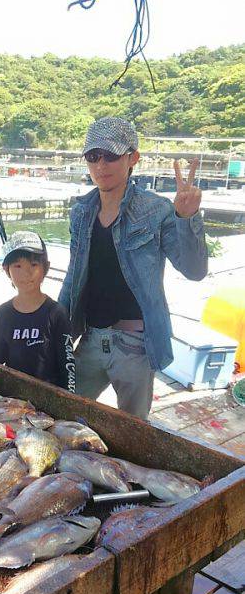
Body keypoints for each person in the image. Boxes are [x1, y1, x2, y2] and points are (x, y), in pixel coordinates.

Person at [59, 116, 208, 420]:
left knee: (133, 429)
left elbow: (194, 270)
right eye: (93, 156)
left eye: (111, 155)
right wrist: (56, 327)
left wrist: (187, 218)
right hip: (90, 338)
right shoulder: (81, 212)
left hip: (136, 346)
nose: (101, 165)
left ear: (132, 158)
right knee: (65, 414)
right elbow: (73, 277)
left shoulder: (157, 210)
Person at [0, 231, 76, 392]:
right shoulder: (3, 313)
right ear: (7, 270)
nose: (26, 273)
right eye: (18, 266)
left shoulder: (56, 312)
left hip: (49, 394)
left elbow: (67, 363)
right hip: (14, 395)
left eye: (33, 264)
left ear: (45, 267)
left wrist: (69, 398)